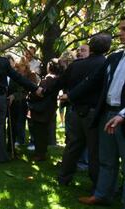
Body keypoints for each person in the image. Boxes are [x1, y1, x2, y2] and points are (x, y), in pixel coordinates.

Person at [66, 16, 125, 209]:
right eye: (120, 28)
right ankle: (101, 195)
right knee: (106, 160)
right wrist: (70, 96)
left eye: (124, 29)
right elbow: (93, 81)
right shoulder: (115, 58)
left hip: (123, 116)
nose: (120, 33)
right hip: (108, 114)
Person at [56, 34, 112, 189]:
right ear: (107, 48)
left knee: (72, 146)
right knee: (95, 150)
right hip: (94, 113)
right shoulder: (107, 65)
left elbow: (61, 81)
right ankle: (97, 185)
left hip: (75, 111)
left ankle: (64, 177)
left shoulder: (76, 65)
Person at [28, 59, 62, 161]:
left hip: (41, 108)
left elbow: (39, 93)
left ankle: (39, 154)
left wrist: (30, 96)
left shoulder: (48, 80)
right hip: (49, 107)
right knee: (44, 131)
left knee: (39, 132)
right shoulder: (57, 79)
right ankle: (42, 151)